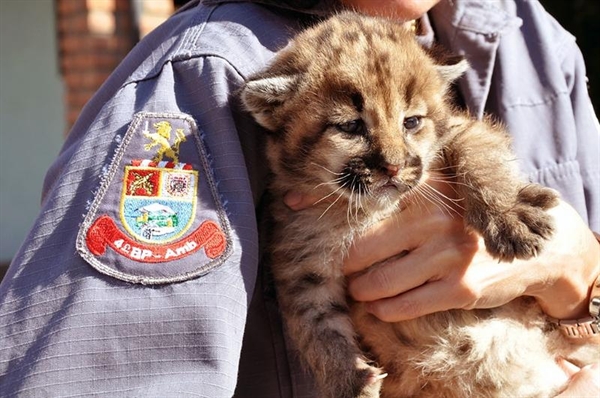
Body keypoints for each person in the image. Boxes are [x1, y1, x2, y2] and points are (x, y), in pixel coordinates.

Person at [0, 0, 598, 397]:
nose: (393, 162)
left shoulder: (536, 41)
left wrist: (577, 275)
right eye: (350, 128)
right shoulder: (198, 81)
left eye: (413, 124)